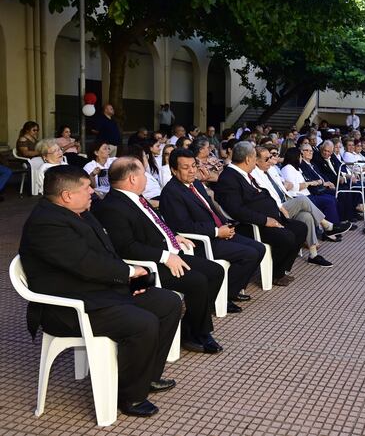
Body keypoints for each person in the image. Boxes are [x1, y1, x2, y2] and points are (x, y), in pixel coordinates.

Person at [19, 165, 181, 417]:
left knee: (168, 302)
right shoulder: (46, 224)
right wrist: (129, 274)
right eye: (86, 188)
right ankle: (129, 397)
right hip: (68, 306)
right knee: (143, 322)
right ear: (67, 196)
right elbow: (86, 264)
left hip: (97, 291)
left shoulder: (80, 211)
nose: (92, 192)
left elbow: (106, 254)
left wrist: (131, 283)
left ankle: (145, 377)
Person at [93, 157, 225, 354]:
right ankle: (196, 334)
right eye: (143, 174)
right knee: (198, 281)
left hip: (165, 253)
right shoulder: (113, 207)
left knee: (215, 270)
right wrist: (165, 257)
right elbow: (126, 248)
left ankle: (189, 326)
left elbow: (155, 224)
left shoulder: (135, 197)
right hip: (146, 268)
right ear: (132, 179)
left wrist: (174, 236)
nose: (146, 178)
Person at [159, 149, 262, 307]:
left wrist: (224, 225)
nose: (192, 170)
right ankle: (221, 297)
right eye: (186, 167)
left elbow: (211, 208)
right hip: (200, 242)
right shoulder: (171, 192)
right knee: (249, 254)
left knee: (259, 248)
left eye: (194, 165)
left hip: (218, 233)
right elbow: (182, 226)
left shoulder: (196, 184)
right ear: (174, 170)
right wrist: (216, 231)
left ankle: (230, 291)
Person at [235, 144, 342, 268]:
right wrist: (281, 204)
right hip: (276, 208)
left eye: (271, 157)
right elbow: (266, 197)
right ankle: (327, 225)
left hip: (286, 201)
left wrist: (286, 186)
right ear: (256, 161)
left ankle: (313, 255)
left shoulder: (272, 170)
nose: (270, 161)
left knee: (306, 216)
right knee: (303, 200)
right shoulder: (254, 174)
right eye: (267, 159)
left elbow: (286, 186)